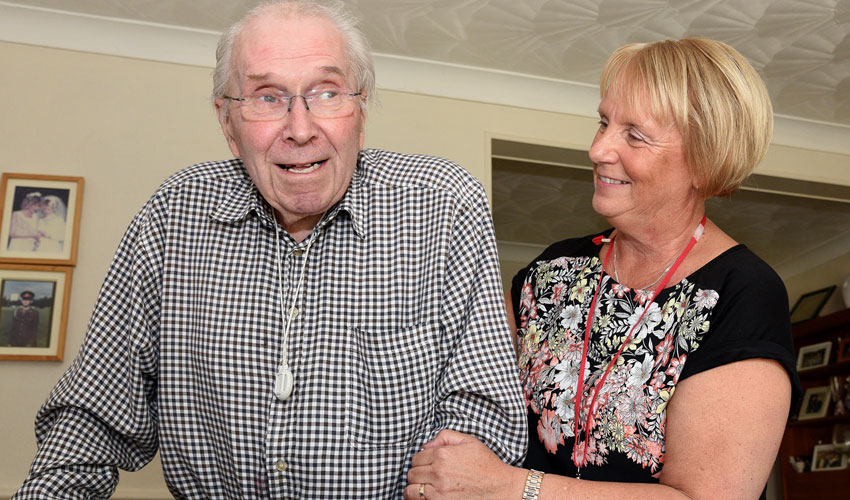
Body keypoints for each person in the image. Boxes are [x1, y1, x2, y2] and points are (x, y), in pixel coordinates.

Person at [14, 1, 526, 498]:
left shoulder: (443, 204)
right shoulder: (174, 212)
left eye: (327, 93)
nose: (300, 130)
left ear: (360, 110)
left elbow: (481, 422)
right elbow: (93, 416)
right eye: (267, 97)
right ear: (227, 123)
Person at [405, 38, 801, 500]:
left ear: (703, 160)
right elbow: (467, 402)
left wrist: (511, 487)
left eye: (634, 135)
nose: (597, 149)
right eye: (604, 123)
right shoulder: (550, 271)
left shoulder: (743, 292)